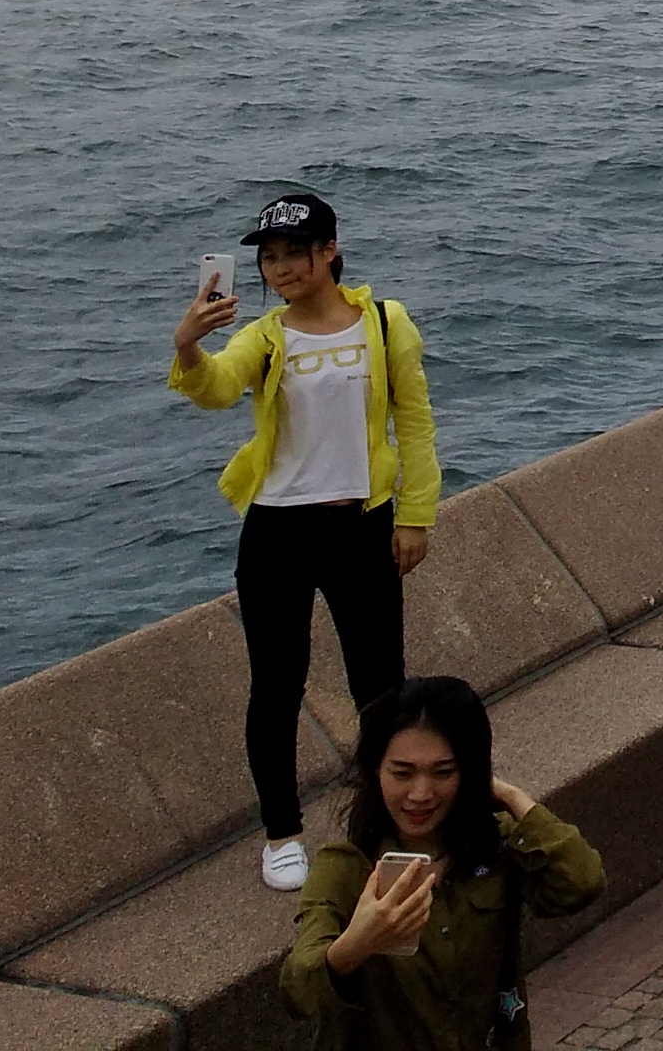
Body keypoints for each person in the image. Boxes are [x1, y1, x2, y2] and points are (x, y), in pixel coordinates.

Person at [170, 191, 442, 886]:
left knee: (381, 686)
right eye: (270, 257)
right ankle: (282, 830)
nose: (282, 267)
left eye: (296, 252)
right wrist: (189, 346)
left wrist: (415, 514)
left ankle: (386, 822)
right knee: (277, 684)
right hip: (277, 533)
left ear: (330, 251)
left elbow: (414, 422)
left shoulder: (384, 324)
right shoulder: (264, 338)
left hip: (362, 525)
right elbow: (217, 390)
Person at [284, 673, 601, 1050]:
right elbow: (298, 990)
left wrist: (513, 798)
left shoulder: (495, 847)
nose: (421, 794)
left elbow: (582, 883)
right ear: (375, 771)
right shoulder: (346, 868)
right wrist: (357, 944)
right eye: (402, 773)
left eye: (443, 772)